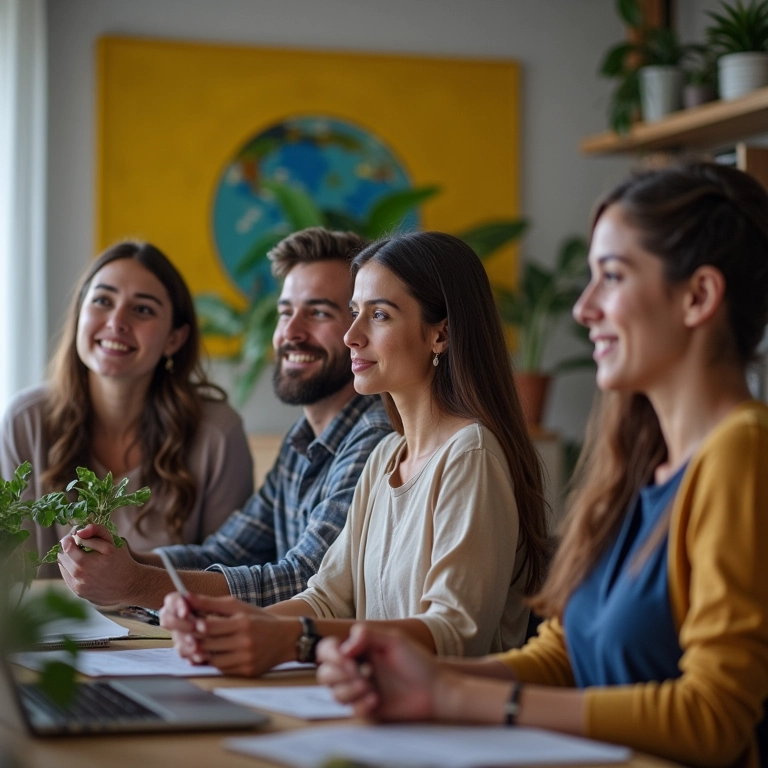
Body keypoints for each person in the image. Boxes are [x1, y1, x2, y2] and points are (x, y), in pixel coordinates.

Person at [316, 163, 768, 768]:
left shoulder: (741, 453)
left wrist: (457, 694)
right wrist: (416, 675)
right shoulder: (639, 463)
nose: (584, 308)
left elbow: (712, 717)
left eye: (612, 277)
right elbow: (561, 656)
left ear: (699, 297)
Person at [160, 231, 550, 676]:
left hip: (452, 726)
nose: (350, 336)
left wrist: (292, 639)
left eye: (379, 315)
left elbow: (454, 633)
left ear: (440, 334)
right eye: (353, 314)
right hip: (374, 704)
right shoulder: (386, 455)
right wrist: (229, 625)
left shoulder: (470, 454)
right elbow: (326, 597)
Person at [55, 227, 392, 608]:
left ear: (360, 328)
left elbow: (306, 580)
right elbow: (228, 550)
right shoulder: (303, 441)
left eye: (318, 312)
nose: (290, 332)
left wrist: (136, 583)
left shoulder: (375, 436)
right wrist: (123, 561)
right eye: (285, 312)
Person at [0, 240, 254, 578]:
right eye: (103, 301)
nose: (117, 322)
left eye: (143, 309)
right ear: (80, 314)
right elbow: (15, 575)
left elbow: (229, 573)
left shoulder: (218, 433)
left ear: (174, 339)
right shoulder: (25, 421)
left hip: (168, 629)